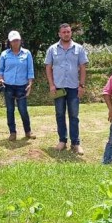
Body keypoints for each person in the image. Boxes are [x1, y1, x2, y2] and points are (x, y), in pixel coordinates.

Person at [45, 23, 89, 155]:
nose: (66, 34)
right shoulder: (52, 49)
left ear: (71, 33)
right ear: (59, 34)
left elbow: (82, 67)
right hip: (58, 87)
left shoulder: (79, 48)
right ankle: (62, 141)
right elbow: (48, 67)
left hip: (73, 88)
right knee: (59, 114)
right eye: (63, 32)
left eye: (68, 32)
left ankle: (75, 143)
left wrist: (81, 85)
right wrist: (51, 85)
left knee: (74, 115)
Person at [0, 30, 35, 141]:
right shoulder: (4, 54)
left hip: (22, 86)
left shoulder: (27, 53)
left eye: (17, 40)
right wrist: (1, 79)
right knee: (10, 110)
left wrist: (30, 84)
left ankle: (28, 131)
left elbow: (30, 70)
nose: (16, 42)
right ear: (10, 42)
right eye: (13, 40)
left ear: (20, 40)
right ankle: (12, 132)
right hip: (8, 86)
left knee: (23, 110)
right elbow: (1, 70)